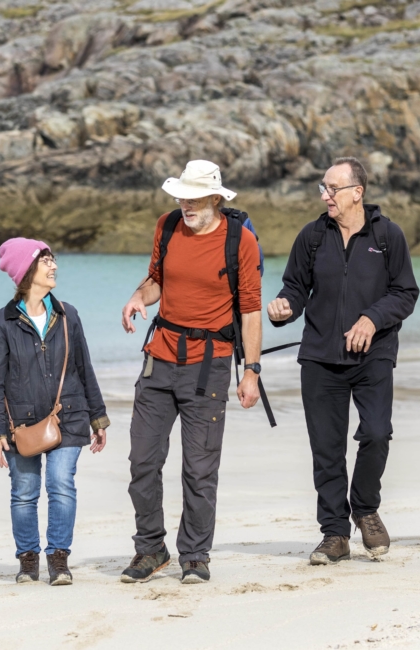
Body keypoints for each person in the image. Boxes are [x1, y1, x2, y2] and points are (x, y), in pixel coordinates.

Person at [267, 157, 419, 565]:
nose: (325, 196)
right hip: (320, 357)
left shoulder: (388, 236)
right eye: (323, 187)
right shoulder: (312, 236)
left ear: (358, 192)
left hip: (374, 356)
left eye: (333, 188)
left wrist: (371, 318)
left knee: (376, 433)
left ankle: (365, 508)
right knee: (327, 450)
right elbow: (296, 289)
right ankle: (334, 533)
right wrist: (283, 308)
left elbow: (406, 293)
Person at [119, 160, 262, 584]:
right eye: (182, 195)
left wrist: (251, 371)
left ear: (216, 199)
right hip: (158, 358)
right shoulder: (167, 226)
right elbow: (157, 280)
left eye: (195, 197)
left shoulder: (240, 241)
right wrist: (137, 297)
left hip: (210, 364)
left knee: (199, 469)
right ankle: (150, 549)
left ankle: (195, 555)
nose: (186, 204)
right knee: (142, 461)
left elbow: (251, 311)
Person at [0, 238, 109, 586]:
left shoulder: (69, 315)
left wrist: (97, 418)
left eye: (53, 259)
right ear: (26, 270)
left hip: (69, 414)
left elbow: (84, 368)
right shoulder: (2, 323)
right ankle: (27, 558)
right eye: (46, 261)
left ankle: (58, 557)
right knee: (23, 490)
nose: (54, 266)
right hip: (20, 422)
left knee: (61, 484)